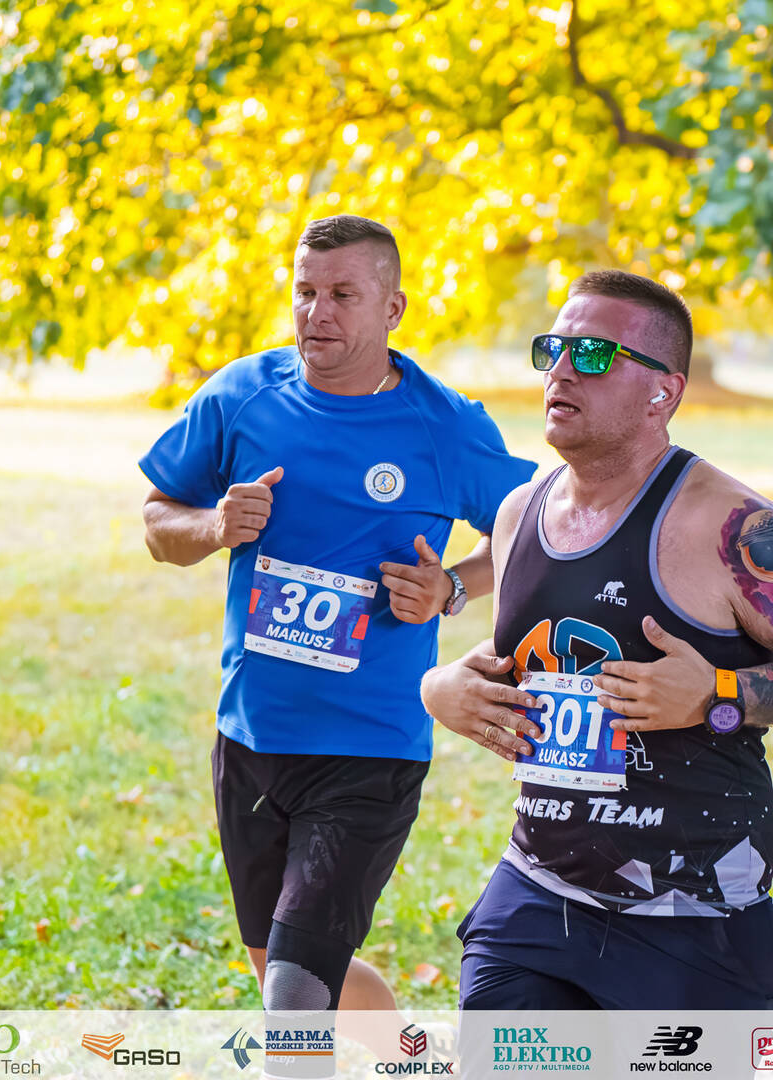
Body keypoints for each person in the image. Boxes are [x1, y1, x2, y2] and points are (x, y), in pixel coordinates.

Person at [419, 269, 773, 1010]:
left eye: (594, 354)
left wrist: (720, 694)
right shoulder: (517, 516)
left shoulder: (731, 527)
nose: (562, 370)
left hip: (696, 913)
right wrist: (441, 690)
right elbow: (521, 673)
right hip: (538, 894)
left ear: (663, 393)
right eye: (553, 349)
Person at [138, 215, 535, 1021]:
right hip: (251, 739)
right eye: (305, 292)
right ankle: (411, 1063)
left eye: (343, 295)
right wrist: (215, 527)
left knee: (294, 993)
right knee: (285, 971)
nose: (317, 313)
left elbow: (534, 532)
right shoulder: (241, 396)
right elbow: (157, 523)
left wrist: (451, 588)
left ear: (393, 308)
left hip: (369, 749)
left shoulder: (444, 425)